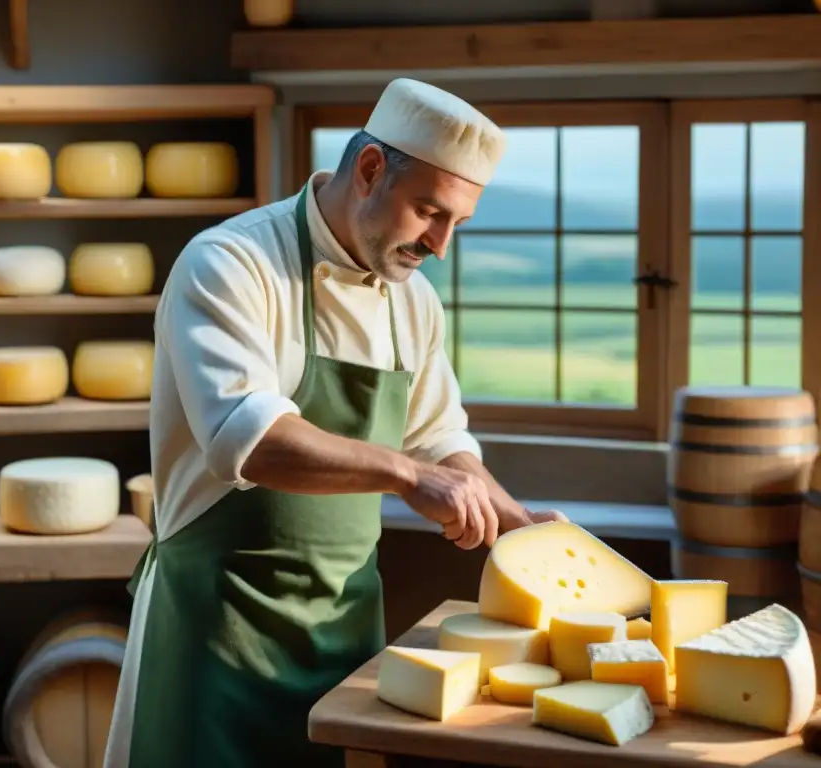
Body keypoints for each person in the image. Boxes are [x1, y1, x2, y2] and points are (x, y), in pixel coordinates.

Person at [103, 77, 567, 768]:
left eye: (457, 225)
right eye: (428, 213)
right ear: (371, 170)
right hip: (219, 632)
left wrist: (512, 515)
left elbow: (439, 439)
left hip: (346, 636)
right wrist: (408, 476)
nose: (440, 245)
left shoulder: (413, 304)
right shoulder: (231, 264)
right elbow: (252, 439)